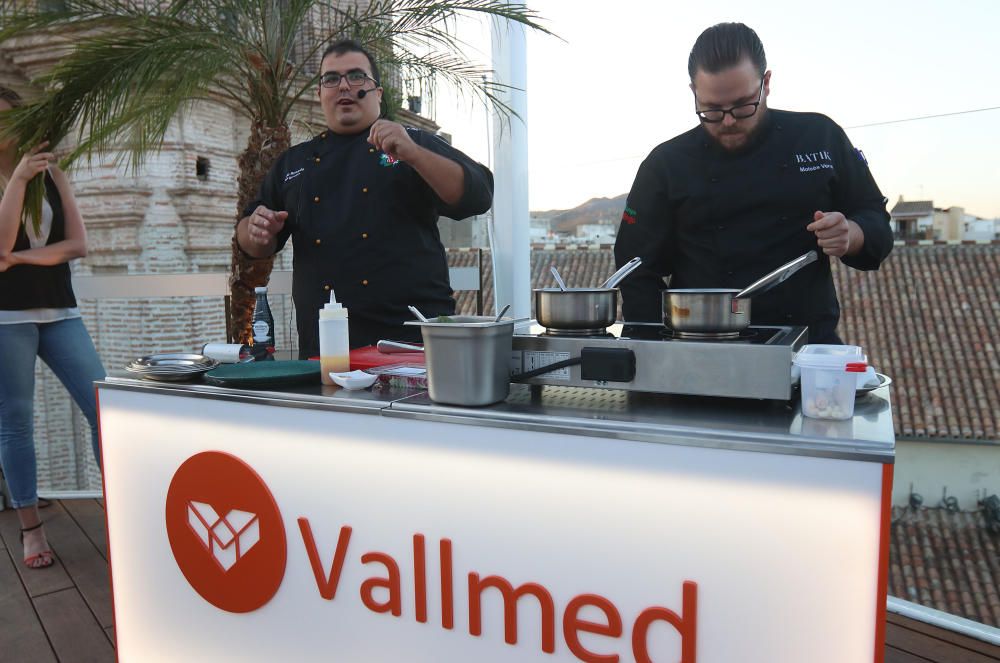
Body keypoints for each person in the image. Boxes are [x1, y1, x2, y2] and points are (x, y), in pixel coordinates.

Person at [613, 23, 892, 344]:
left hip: (807, 345)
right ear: (694, 92)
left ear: (766, 83)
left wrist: (852, 235)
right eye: (712, 110)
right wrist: (657, 347)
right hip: (702, 346)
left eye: (744, 105)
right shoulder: (664, 164)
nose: (729, 121)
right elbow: (635, 268)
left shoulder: (820, 136)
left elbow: (876, 221)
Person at [237, 39, 494, 358]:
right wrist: (256, 230)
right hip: (326, 350)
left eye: (356, 76)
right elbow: (252, 244)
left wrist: (413, 154)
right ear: (320, 94)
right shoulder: (294, 164)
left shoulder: (412, 143)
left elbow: (478, 196)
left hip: (413, 344)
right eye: (331, 79)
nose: (344, 86)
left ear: (378, 93)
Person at [0, 86, 106, 569]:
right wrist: (17, 180)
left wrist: (20, 258)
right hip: (7, 318)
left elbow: (78, 244)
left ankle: (119, 508)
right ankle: (31, 529)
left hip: (61, 310)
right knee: (16, 421)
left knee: (103, 407)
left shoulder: (52, 171)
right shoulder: (20, 178)